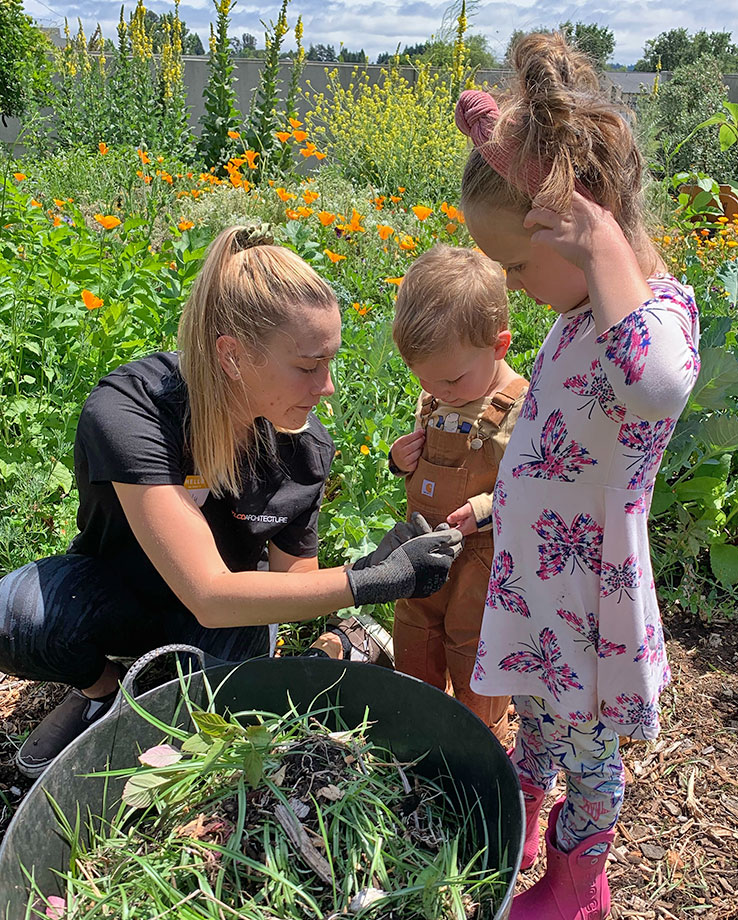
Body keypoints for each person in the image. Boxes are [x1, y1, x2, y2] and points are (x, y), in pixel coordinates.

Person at [0, 225, 462, 779]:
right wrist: (369, 582)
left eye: (330, 362)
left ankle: (330, 650)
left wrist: (363, 569)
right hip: (120, 588)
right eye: (309, 365)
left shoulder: (304, 449)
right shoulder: (135, 410)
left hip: (228, 620)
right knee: (16, 621)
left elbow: (293, 580)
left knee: (221, 729)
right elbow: (206, 591)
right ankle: (103, 692)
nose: (329, 386)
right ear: (232, 356)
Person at [454, 32, 701, 920]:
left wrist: (603, 251)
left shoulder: (648, 318)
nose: (511, 286)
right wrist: (490, 506)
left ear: (582, 228)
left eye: (516, 264)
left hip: (587, 598)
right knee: (539, 728)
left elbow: (658, 387)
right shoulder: (575, 314)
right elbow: (549, 442)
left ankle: (576, 880)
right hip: (542, 585)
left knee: (588, 750)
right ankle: (517, 827)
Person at [387, 245, 528, 739]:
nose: (437, 389)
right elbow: (424, 465)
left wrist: (485, 508)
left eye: (449, 378)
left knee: (474, 641)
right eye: (423, 378)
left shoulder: (518, 408)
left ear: (499, 346)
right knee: (416, 624)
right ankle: (417, 716)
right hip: (424, 544)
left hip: (482, 556)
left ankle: (477, 732)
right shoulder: (438, 396)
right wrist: (401, 458)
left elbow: (531, 488)